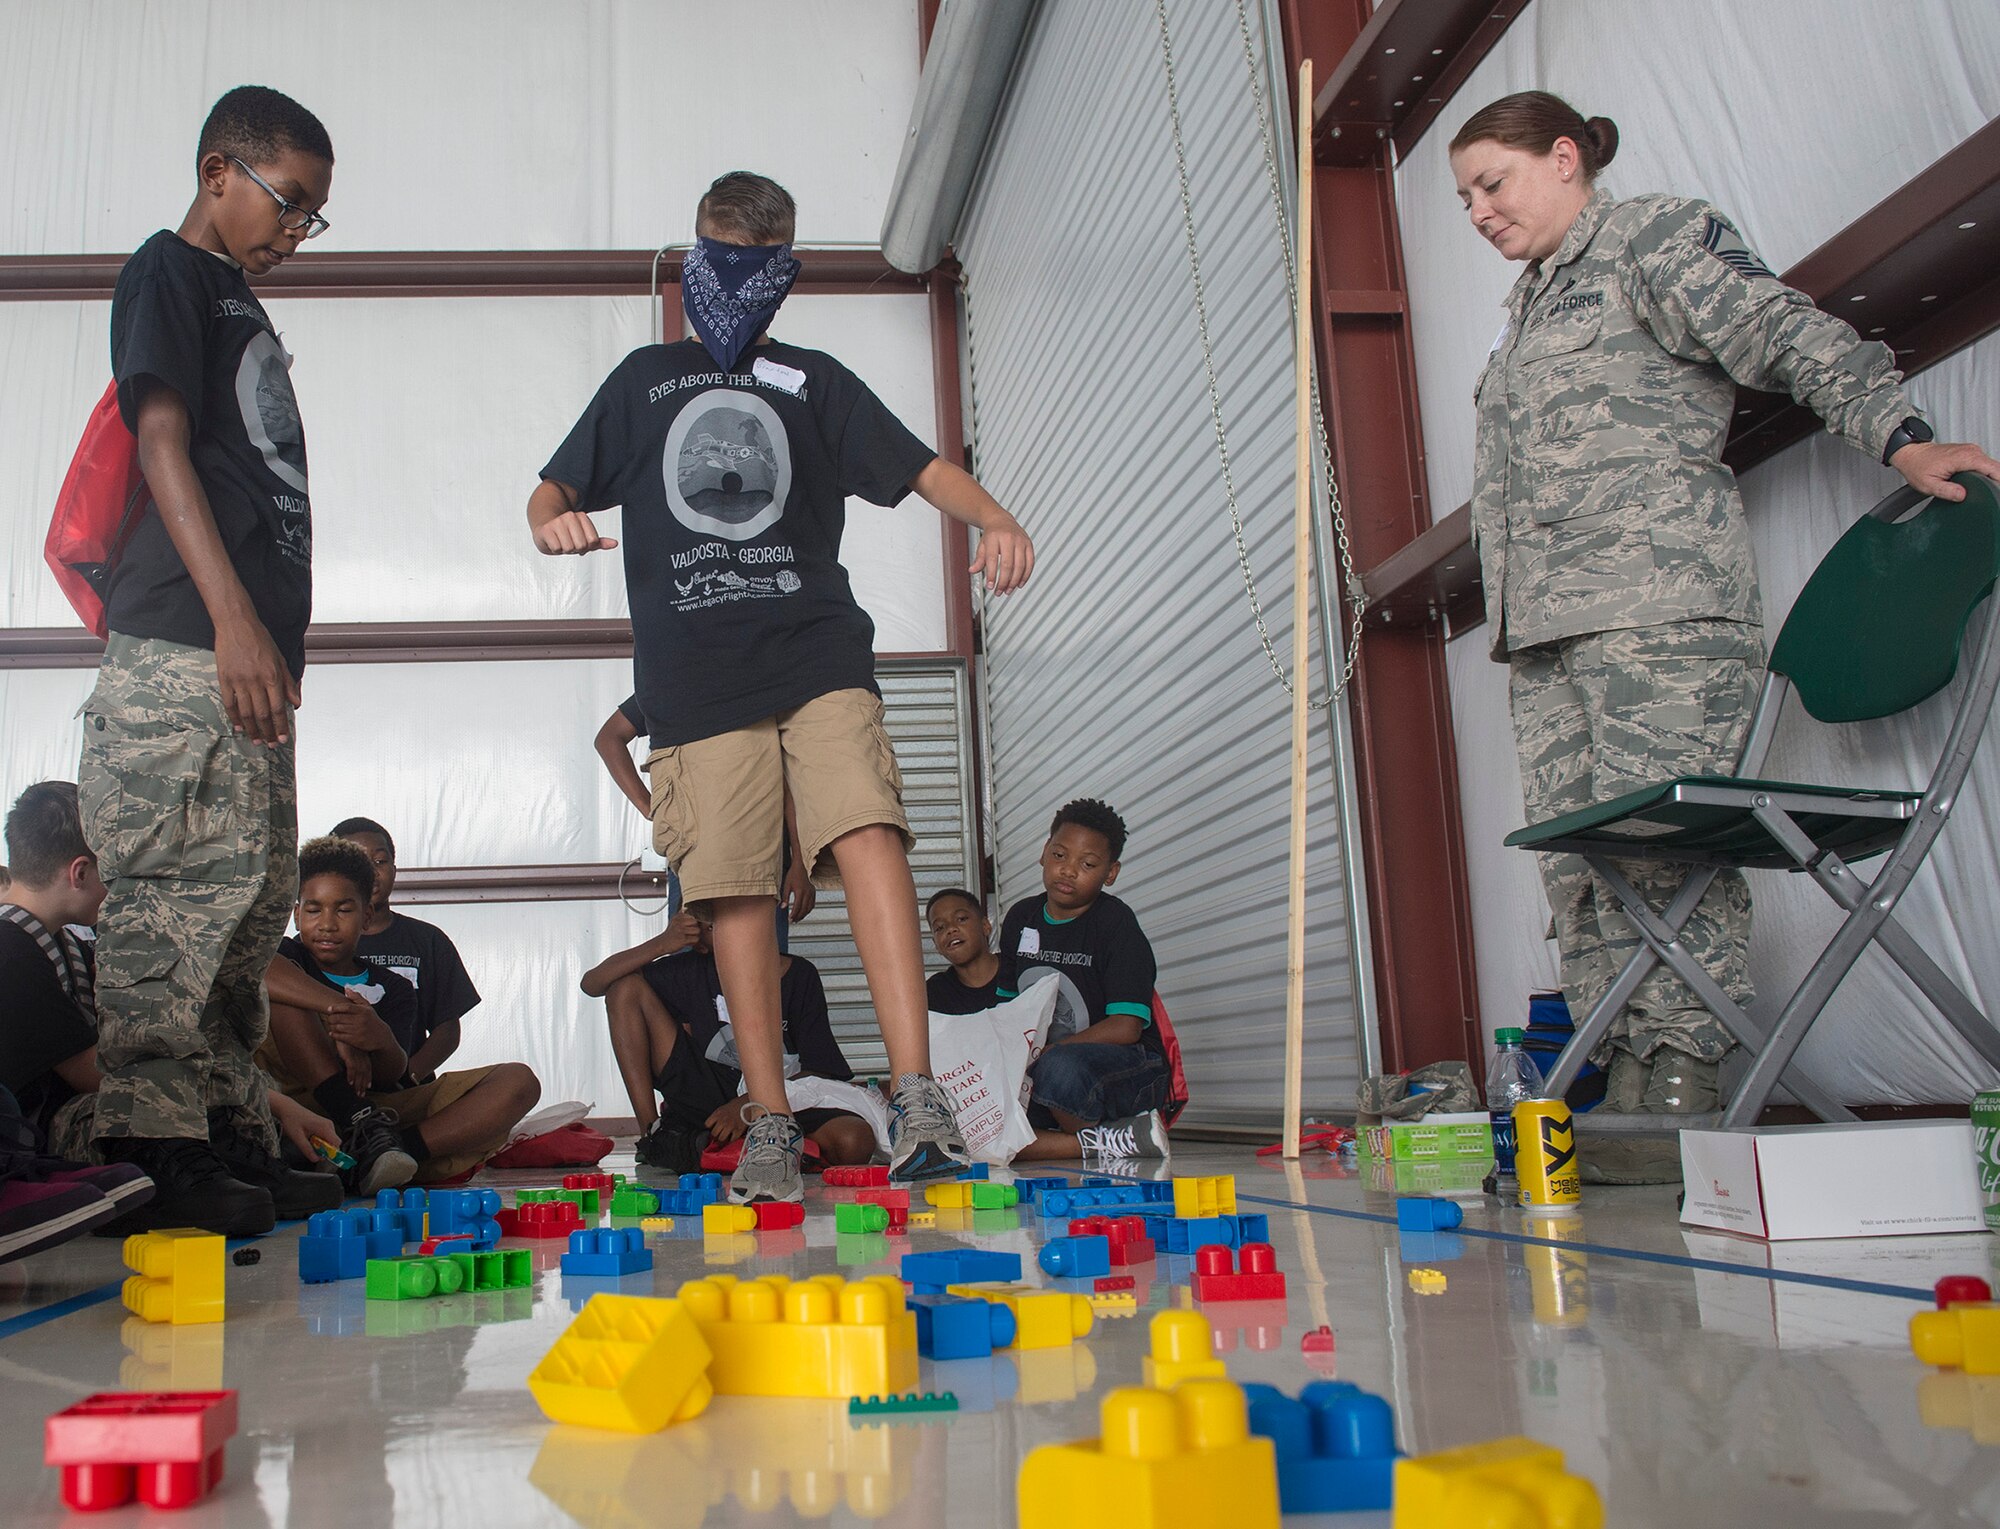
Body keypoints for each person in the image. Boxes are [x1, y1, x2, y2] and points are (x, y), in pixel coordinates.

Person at [1449, 92, 2000, 1177]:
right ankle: (1613, 1067)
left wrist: (1899, 439)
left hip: (1656, 613)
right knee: (1581, 864)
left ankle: (1683, 1070)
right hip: (1548, 632)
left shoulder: (1650, 240)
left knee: (1663, 856)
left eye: (1490, 181)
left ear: (1562, 160)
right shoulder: (1531, 307)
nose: (1476, 209)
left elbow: (1781, 329)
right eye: (1463, 193)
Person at [530, 170, 1034, 1201]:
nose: (741, 288)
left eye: (766, 270)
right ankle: (767, 1119)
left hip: (814, 648)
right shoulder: (641, 381)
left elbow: (921, 465)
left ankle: (915, 1094)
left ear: (786, 275)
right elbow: (553, 484)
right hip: (694, 668)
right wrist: (549, 517)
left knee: (867, 829)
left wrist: (994, 517)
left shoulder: (810, 380)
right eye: (724, 262)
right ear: (692, 260)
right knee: (734, 889)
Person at [77, 87, 336, 1235]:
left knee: (243, 905)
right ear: (218, 167)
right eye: (288, 204)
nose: (293, 232)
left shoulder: (239, 300)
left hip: (249, 658)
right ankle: (148, 1146)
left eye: (311, 218)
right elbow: (164, 439)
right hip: (186, 642)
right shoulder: (168, 274)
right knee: (173, 898)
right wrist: (233, 618)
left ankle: (228, 1126)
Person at [0, 782, 336, 1226]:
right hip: (36, 1143)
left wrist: (276, 1101)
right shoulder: (13, 953)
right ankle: (197, 1179)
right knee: (158, 1095)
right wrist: (242, 1092)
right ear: (80, 874)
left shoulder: (61, 944)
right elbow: (96, 1076)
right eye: (117, 872)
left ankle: (238, 1163)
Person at [260, 837, 540, 1187]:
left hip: (382, 1112)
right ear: (296, 915)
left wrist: (378, 1038)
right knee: (289, 998)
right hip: (293, 1104)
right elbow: (261, 971)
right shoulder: (285, 958)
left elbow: (393, 1073)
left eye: (343, 910)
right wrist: (341, 1013)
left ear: (366, 916)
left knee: (518, 1081)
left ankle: (387, 1155)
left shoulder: (393, 987)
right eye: (314, 910)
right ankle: (357, 1128)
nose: (327, 924)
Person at [581, 911, 875, 1174]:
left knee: (854, 1141)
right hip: (708, 1095)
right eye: (704, 919)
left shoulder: (798, 975)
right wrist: (661, 944)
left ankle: (750, 1145)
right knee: (625, 989)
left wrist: (748, 1105)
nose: (713, 924)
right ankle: (654, 1137)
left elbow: (819, 1069)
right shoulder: (691, 969)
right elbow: (593, 983)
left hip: (782, 1098)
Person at [997, 801, 1172, 1162]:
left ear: (1111, 873)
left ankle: (1068, 1132)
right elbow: (1006, 1011)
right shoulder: (1021, 917)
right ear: (1044, 854)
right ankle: (1105, 1142)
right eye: (1060, 854)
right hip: (1043, 1067)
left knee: (1059, 1068)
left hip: (1128, 1066)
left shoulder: (1115, 924)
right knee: (982, 1115)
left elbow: (1126, 1027)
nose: (1069, 870)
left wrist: (1047, 1053)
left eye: (1088, 864)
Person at [593, 699, 816, 951]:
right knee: (692, 974)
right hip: (697, 860)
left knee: (766, 975)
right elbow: (609, 738)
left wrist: (800, 862)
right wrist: (650, 808)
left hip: (764, 863)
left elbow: (788, 780)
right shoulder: (677, 681)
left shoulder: (766, 680)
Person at [328, 818, 482, 1084]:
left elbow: (447, 1028)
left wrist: (406, 1077)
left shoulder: (427, 940)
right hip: (336, 1089)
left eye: (380, 862)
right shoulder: (316, 943)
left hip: (410, 1087)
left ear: (395, 869)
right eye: (357, 863)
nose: (371, 873)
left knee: (516, 1081)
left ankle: (408, 1128)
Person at [925, 887, 1005, 1015]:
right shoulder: (934, 995)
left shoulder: (1016, 971)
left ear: (985, 926)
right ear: (936, 945)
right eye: (940, 927)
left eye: (961, 919)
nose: (951, 929)